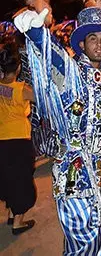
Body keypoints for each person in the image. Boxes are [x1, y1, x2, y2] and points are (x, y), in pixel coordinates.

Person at [14, 0, 101, 254]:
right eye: (93, 38)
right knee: (85, 237)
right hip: (74, 172)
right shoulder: (71, 73)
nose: (100, 44)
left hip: (100, 171)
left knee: (99, 238)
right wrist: (36, 32)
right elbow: (55, 58)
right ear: (81, 43)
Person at [0, 40, 36, 235]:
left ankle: (12, 215)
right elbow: (43, 99)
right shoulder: (22, 90)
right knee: (21, 181)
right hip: (19, 141)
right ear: (19, 67)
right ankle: (18, 223)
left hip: (1, 140)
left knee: (8, 179)